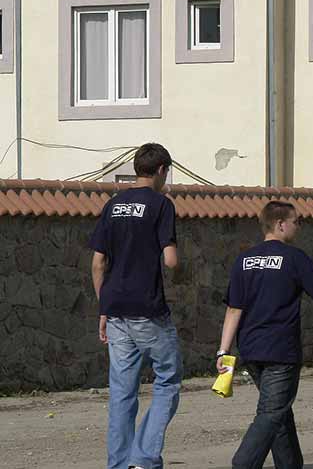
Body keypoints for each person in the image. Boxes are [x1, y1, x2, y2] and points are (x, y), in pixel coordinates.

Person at [217, 201, 313, 469]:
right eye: (296, 221)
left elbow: (234, 308)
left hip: (251, 350)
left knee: (278, 408)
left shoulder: (244, 260)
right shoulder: (294, 257)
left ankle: (290, 464)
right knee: (271, 412)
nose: (299, 226)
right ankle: (243, 463)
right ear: (280, 224)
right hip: (281, 351)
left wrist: (223, 350)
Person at [89, 143, 181, 469]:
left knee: (122, 392)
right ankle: (143, 458)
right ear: (161, 170)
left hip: (115, 309)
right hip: (148, 309)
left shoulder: (112, 205)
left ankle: (118, 464)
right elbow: (170, 260)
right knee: (167, 379)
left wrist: (104, 308)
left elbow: (98, 263)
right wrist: (180, 270)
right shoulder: (161, 204)